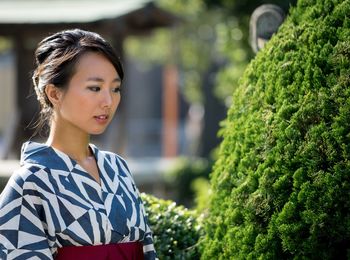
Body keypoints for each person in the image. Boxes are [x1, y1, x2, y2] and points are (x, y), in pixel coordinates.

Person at [0, 29, 157, 260]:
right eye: (95, 88)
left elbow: (147, 252)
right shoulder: (29, 182)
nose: (108, 101)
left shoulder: (117, 168)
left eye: (115, 89)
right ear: (54, 93)